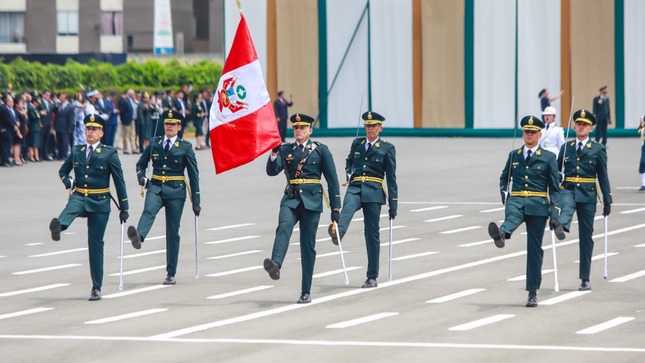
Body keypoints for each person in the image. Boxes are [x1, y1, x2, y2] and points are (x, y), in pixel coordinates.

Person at [48, 114, 129, 301]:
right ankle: (59, 226)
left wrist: (124, 207)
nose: (90, 132)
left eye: (94, 129)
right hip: (80, 196)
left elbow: (119, 181)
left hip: (100, 202)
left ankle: (96, 287)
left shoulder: (109, 153)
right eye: (88, 129)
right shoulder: (77, 151)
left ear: (101, 132)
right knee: (71, 207)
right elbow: (63, 170)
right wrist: (67, 181)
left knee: (95, 244)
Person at [488, 116, 565, 307]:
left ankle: (532, 291)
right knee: (512, 215)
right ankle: (503, 233)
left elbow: (554, 189)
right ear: (522, 133)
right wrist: (503, 191)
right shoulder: (514, 155)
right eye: (526, 131)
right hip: (516, 199)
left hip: (538, 203)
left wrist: (555, 215)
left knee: (534, 249)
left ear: (539, 134)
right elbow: (504, 178)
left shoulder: (549, 157)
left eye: (533, 132)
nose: (529, 135)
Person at [264, 113, 340, 304]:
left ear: (310, 130)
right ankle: (275, 264)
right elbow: (272, 172)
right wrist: (273, 153)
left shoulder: (321, 150)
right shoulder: (285, 149)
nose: (298, 130)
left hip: (312, 201)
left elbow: (332, 181)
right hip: (291, 199)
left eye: (302, 128)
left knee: (308, 246)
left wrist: (336, 208)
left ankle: (305, 290)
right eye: (296, 128)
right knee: (283, 226)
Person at [126, 110, 200, 286]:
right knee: (149, 209)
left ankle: (171, 273)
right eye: (167, 123)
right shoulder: (155, 143)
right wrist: (141, 178)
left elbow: (193, 175)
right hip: (156, 186)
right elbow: (141, 164)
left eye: (173, 124)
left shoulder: (186, 147)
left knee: (172, 231)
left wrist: (196, 200)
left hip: (176, 191)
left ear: (179, 127)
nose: (169, 127)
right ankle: (139, 236)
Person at [327, 111, 398, 288]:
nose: (370, 129)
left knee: (371, 234)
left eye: (373, 126)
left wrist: (393, 203)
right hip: (356, 186)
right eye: (367, 126)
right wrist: (348, 172)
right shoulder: (357, 143)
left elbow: (391, 177)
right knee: (348, 205)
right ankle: (339, 232)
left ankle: (372, 276)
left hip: (374, 191)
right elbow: (349, 161)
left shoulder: (387, 148)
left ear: (380, 128)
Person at [557, 109, 612, 291]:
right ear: (574, 127)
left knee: (586, 237)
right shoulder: (566, 147)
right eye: (578, 124)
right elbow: (556, 171)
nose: (581, 127)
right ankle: (562, 226)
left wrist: (607, 199)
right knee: (566, 206)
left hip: (588, 195)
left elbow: (602, 175)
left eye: (584, 125)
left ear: (590, 128)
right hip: (569, 189)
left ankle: (585, 278)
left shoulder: (598, 149)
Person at [54, 93, 75, 160]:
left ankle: (64, 154)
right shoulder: (59, 105)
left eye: (62, 97)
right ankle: (60, 154)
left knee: (65, 141)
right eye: (60, 97)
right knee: (59, 140)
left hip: (65, 127)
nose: (60, 98)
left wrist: (70, 128)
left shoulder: (69, 107)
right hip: (58, 126)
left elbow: (71, 119)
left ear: (65, 98)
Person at [118, 89, 137, 154]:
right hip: (126, 120)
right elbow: (122, 111)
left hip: (132, 120)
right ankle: (125, 149)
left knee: (132, 135)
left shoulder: (133, 101)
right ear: (130, 94)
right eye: (133, 94)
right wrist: (123, 119)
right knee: (125, 135)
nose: (134, 95)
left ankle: (133, 148)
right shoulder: (125, 101)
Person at [27, 93, 43, 162]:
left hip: (36, 127)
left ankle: (36, 156)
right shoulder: (31, 108)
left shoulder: (35, 108)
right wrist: (40, 113)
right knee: (32, 143)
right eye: (37, 102)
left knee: (36, 143)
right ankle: (31, 156)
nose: (38, 104)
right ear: (34, 102)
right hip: (32, 127)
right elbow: (33, 117)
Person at [639, 115, 645, 192]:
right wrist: (641, 125)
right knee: (643, 162)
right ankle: (643, 183)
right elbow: (640, 133)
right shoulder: (642, 128)